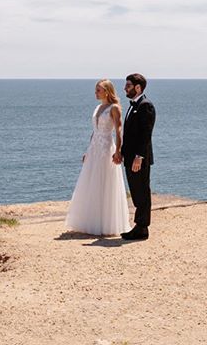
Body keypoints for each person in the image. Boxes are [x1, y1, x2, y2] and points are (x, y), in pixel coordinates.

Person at [65, 79, 130, 236]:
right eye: (96, 90)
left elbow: (118, 131)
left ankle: (106, 223)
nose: (96, 92)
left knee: (104, 182)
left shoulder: (114, 108)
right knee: (91, 182)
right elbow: (94, 131)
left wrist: (118, 151)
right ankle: (91, 221)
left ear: (107, 91)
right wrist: (88, 150)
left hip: (106, 149)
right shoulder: (98, 107)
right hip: (94, 149)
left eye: (98, 90)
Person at [120, 73, 156, 241]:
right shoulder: (134, 105)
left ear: (138, 87)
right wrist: (122, 152)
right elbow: (129, 134)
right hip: (131, 157)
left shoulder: (145, 105)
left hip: (138, 159)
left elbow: (145, 135)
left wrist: (139, 157)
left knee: (141, 191)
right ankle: (139, 227)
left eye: (128, 85)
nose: (125, 88)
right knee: (136, 191)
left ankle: (142, 228)